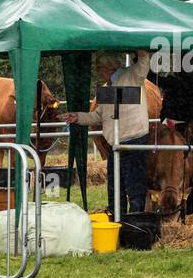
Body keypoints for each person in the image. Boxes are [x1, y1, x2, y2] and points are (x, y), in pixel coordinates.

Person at [63, 50, 151, 216]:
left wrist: (138, 48)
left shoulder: (132, 74)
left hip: (134, 141)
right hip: (115, 145)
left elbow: (144, 59)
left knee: (134, 186)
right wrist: (77, 117)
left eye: (99, 67)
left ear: (108, 67)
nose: (97, 71)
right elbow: (98, 115)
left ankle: (134, 224)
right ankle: (118, 221)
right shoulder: (107, 87)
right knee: (115, 187)